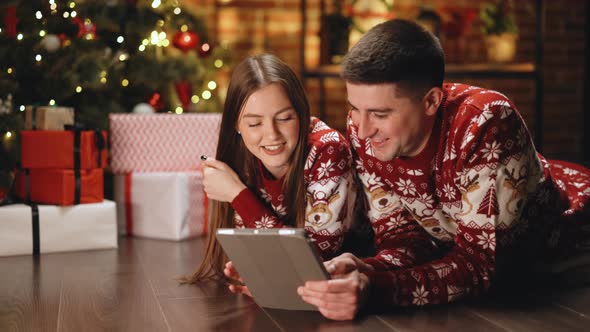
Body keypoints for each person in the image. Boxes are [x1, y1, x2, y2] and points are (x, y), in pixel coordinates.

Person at [297, 19, 590, 320]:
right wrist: (369, 267)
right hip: (486, 266)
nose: (362, 129)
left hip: (569, 247)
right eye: (354, 109)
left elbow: (480, 265)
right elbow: (404, 237)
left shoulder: (486, 122)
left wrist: (377, 287)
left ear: (431, 101)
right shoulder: (364, 130)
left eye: (379, 113)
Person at [181, 54, 354, 292]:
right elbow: (257, 255)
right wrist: (260, 274)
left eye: (284, 118)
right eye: (254, 124)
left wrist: (238, 195)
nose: (272, 135)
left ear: (302, 114)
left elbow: (316, 257)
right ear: (236, 126)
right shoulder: (242, 155)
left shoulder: (328, 149)